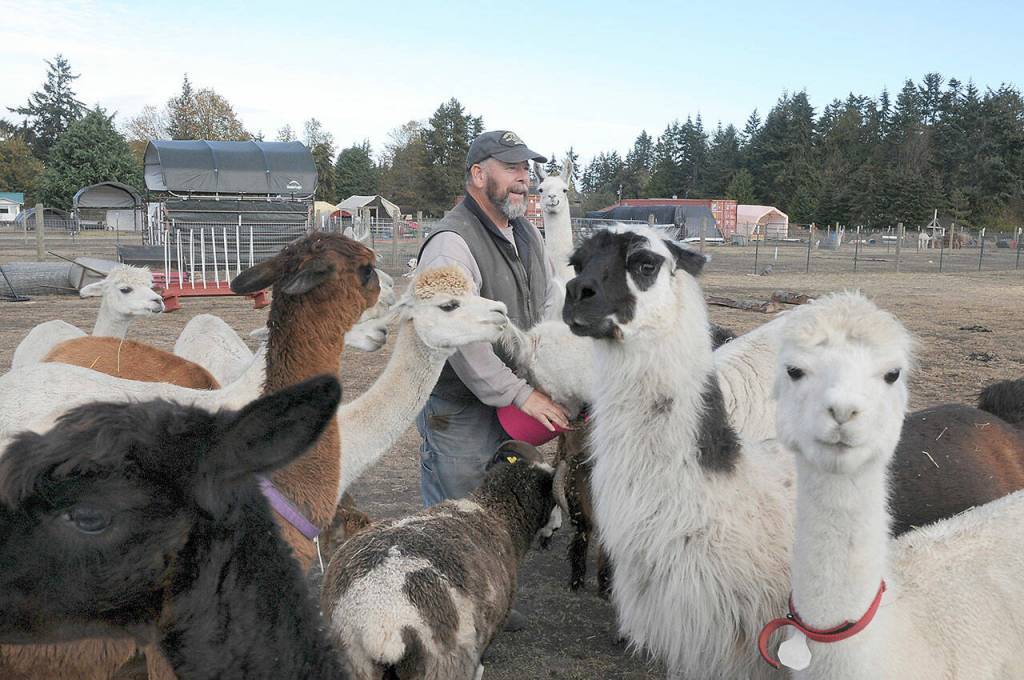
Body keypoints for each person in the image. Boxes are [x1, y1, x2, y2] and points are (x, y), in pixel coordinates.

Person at [415, 130, 570, 508]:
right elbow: (459, 337)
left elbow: (548, 300)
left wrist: (547, 373)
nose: (524, 177)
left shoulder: (528, 233)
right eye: (510, 167)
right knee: (457, 523)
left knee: (496, 524)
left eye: (524, 168)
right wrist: (520, 393)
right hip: (461, 415)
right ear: (479, 176)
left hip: (512, 406)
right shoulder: (451, 243)